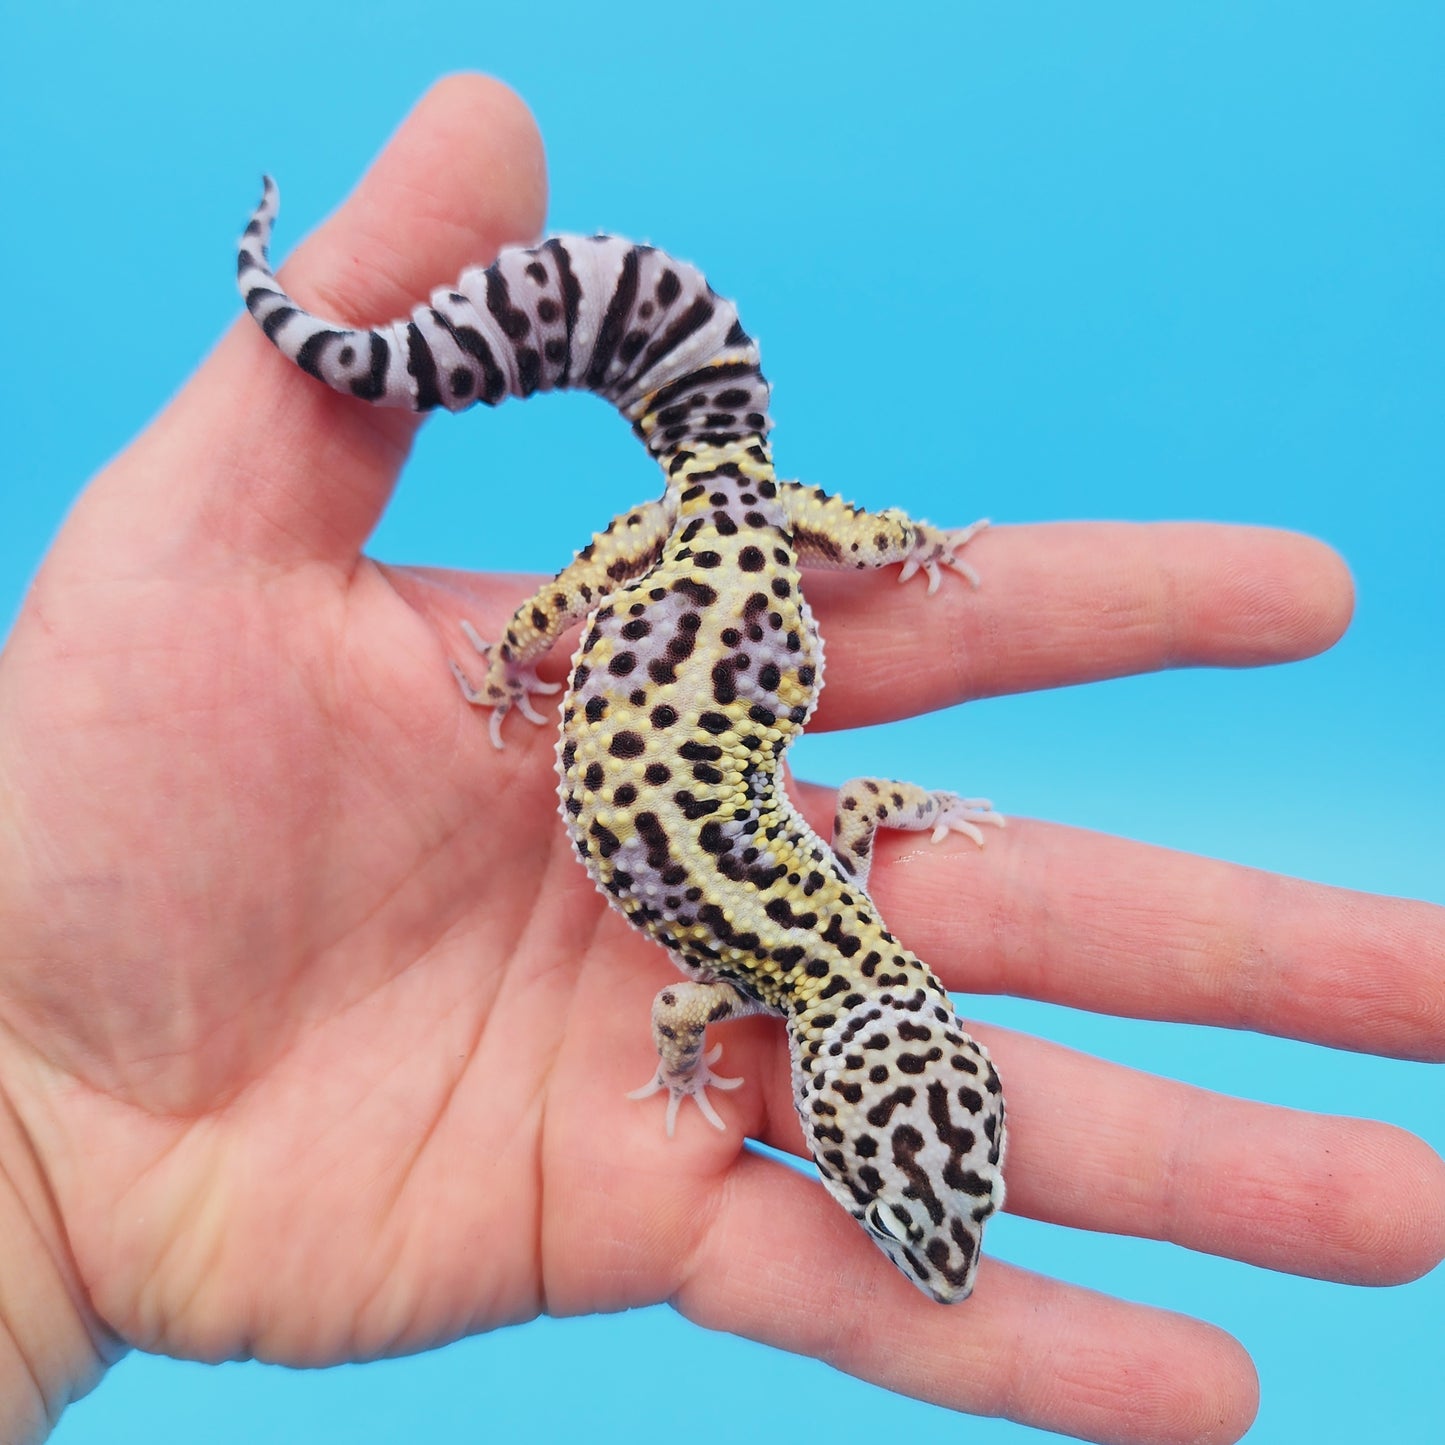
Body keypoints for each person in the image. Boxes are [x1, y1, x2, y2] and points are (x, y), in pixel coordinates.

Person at [0, 74, 1439, 1445]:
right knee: (660, 532)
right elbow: (688, 1006)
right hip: (716, 557)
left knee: (627, 564)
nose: (927, 1235)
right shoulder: (757, 976)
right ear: (927, 1064)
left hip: (708, 562)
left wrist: (839, 611)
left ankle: (560, 586)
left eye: (908, 1205)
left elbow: (858, 817)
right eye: (914, 1197)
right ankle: (511, 539)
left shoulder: (837, 911)